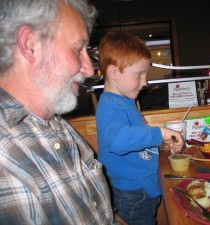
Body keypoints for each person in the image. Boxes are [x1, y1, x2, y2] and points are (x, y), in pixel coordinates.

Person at [0, 0, 126, 224]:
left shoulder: (56, 123)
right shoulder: (5, 161)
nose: (88, 69)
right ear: (30, 45)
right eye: (78, 49)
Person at [96, 32, 184, 225]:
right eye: (139, 74)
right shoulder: (109, 104)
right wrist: (159, 132)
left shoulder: (127, 102)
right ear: (113, 73)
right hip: (131, 194)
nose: (145, 82)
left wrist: (162, 143)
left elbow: (139, 141)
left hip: (142, 188)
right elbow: (117, 140)